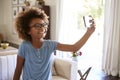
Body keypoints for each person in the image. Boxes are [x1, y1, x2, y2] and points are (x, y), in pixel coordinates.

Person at [13, 7, 95, 80]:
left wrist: (89, 33)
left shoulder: (51, 45)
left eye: (43, 25)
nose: (42, 28)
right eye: (37, 26)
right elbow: (18, 70)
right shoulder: (24, 46)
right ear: (27, 30)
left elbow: (74, 48)